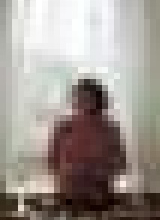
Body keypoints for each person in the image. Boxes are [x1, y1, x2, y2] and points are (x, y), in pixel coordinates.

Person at [46, 76, 127, 208]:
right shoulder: (64, 127)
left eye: (88, 99)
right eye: (80, 99)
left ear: (99, 101)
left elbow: (120, 163)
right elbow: (51, 161)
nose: (84, 103)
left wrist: (97, 171)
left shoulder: (110, 129)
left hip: (100, 197)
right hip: (68, 196)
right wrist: (70, 171)